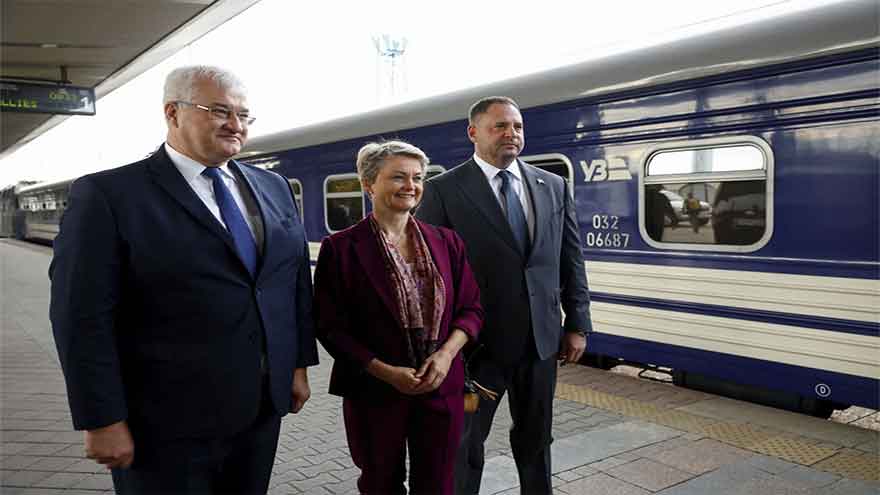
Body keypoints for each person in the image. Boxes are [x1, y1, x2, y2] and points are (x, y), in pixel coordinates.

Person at [49, 65, 318, 494]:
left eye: (244, 115)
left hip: (260, 410)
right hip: (162, 422)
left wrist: (297, 365)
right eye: (219, 111)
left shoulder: (273, 187)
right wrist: (102, 418)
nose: (235, 125)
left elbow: (292, 283)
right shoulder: (109, 195)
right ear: (172, 112)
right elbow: (80, 317)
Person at [416, 96, 593, 494]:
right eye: (499, 126)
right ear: (473, 132)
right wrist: (439, 345)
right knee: (465, 441)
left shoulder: (553, 186)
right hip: (477, 353)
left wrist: (578, 323)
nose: (511, 133)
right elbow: (431, 276)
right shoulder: (442, 191)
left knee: (536, 438)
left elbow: (570, 259)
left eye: (517, 126)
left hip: (540, 346)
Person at [313, 140, 484, 495]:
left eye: (417, 178)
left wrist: (446, 355)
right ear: (369, 184)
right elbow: (330, 327)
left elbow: (471, 308)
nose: (411, 186)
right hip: (374, 390)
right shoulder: (341, 248)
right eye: (398, 177)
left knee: (437, 485)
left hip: (440, 384)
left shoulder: (447, 241)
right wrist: (385, 371)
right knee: (380, 483)